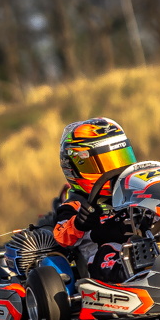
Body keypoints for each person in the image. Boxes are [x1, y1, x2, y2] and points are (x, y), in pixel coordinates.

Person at [52, 118, 138, 283]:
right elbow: (61, 236)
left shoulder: (135, 193)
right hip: (102, 258)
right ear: (76, 167)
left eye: (121, 158)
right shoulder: (75, 205)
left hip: (143, 244)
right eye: (107, 164)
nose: (117, 169)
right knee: (110, 251)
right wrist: (79, 223)